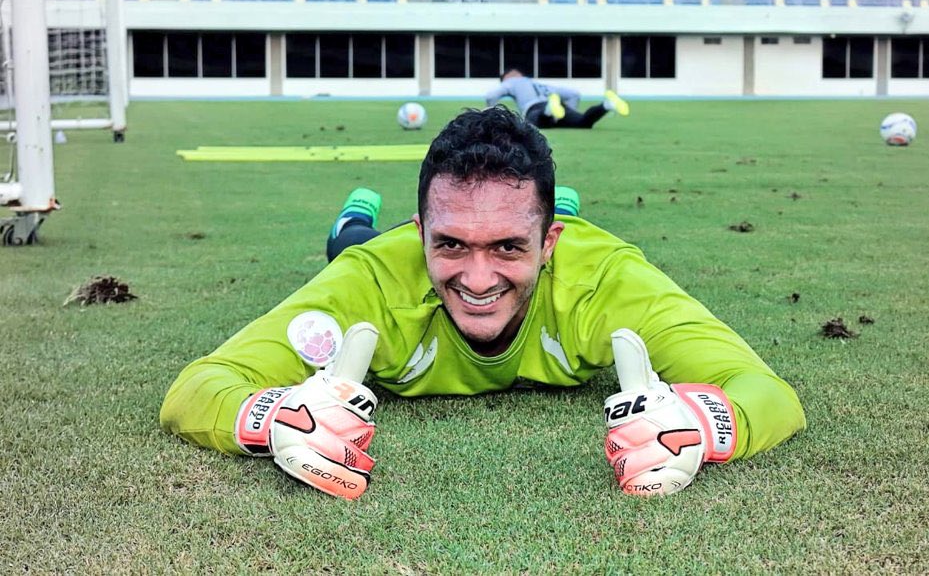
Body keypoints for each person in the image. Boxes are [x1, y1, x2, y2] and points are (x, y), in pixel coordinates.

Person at [160, 106, 805, 499]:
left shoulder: (606, 281)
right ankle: (356, 216)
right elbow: (197, 389)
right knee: (348, 244)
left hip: (563, 243)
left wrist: (702, 425)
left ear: (549, 244)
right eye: (449, 244)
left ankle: (549, 211)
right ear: (421, 234)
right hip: (375, 250)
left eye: (508, 246)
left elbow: (769, 395)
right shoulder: (371, 282)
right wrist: (274, 417)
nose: (475, 279)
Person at [484, 68, 630, 129]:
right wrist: (567, 113)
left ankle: (549, 111)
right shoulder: (538, 83)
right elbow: (574, 94)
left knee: (532, 125)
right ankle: (606, 105)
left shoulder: (511, 81)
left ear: (508, 76)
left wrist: (490, 110)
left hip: (535, 107)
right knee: (583, 122)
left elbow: (491, 95)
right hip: (558, 104)